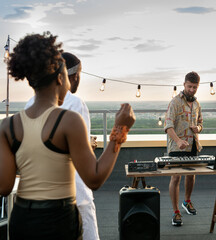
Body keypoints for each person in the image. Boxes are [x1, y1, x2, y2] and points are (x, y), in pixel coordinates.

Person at [0, 32, 135, 240]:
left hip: (22, 220)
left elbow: (4, 186)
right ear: (61, 78)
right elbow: (95, 178)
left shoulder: (7, 126)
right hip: (59, 219)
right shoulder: (69, 121)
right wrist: (120, 130)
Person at [25, 52, 100, 240]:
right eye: (79, 75)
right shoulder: (76, 103)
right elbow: (77, 152)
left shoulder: (30, 103)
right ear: (72, 76)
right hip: (75, 190)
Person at [164, 71, 203, 226]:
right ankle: (176, 212)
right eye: (190, 86)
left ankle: (187, 202)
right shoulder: (174, 102)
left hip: (193, 145)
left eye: (195, 87)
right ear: (184, 84)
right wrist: (178, 140)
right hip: (176, 146)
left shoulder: (198, 104)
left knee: (191, 175)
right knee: (176, 177)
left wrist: (198, 129)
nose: (192, 90)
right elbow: (168, 126)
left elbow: (201, 123)